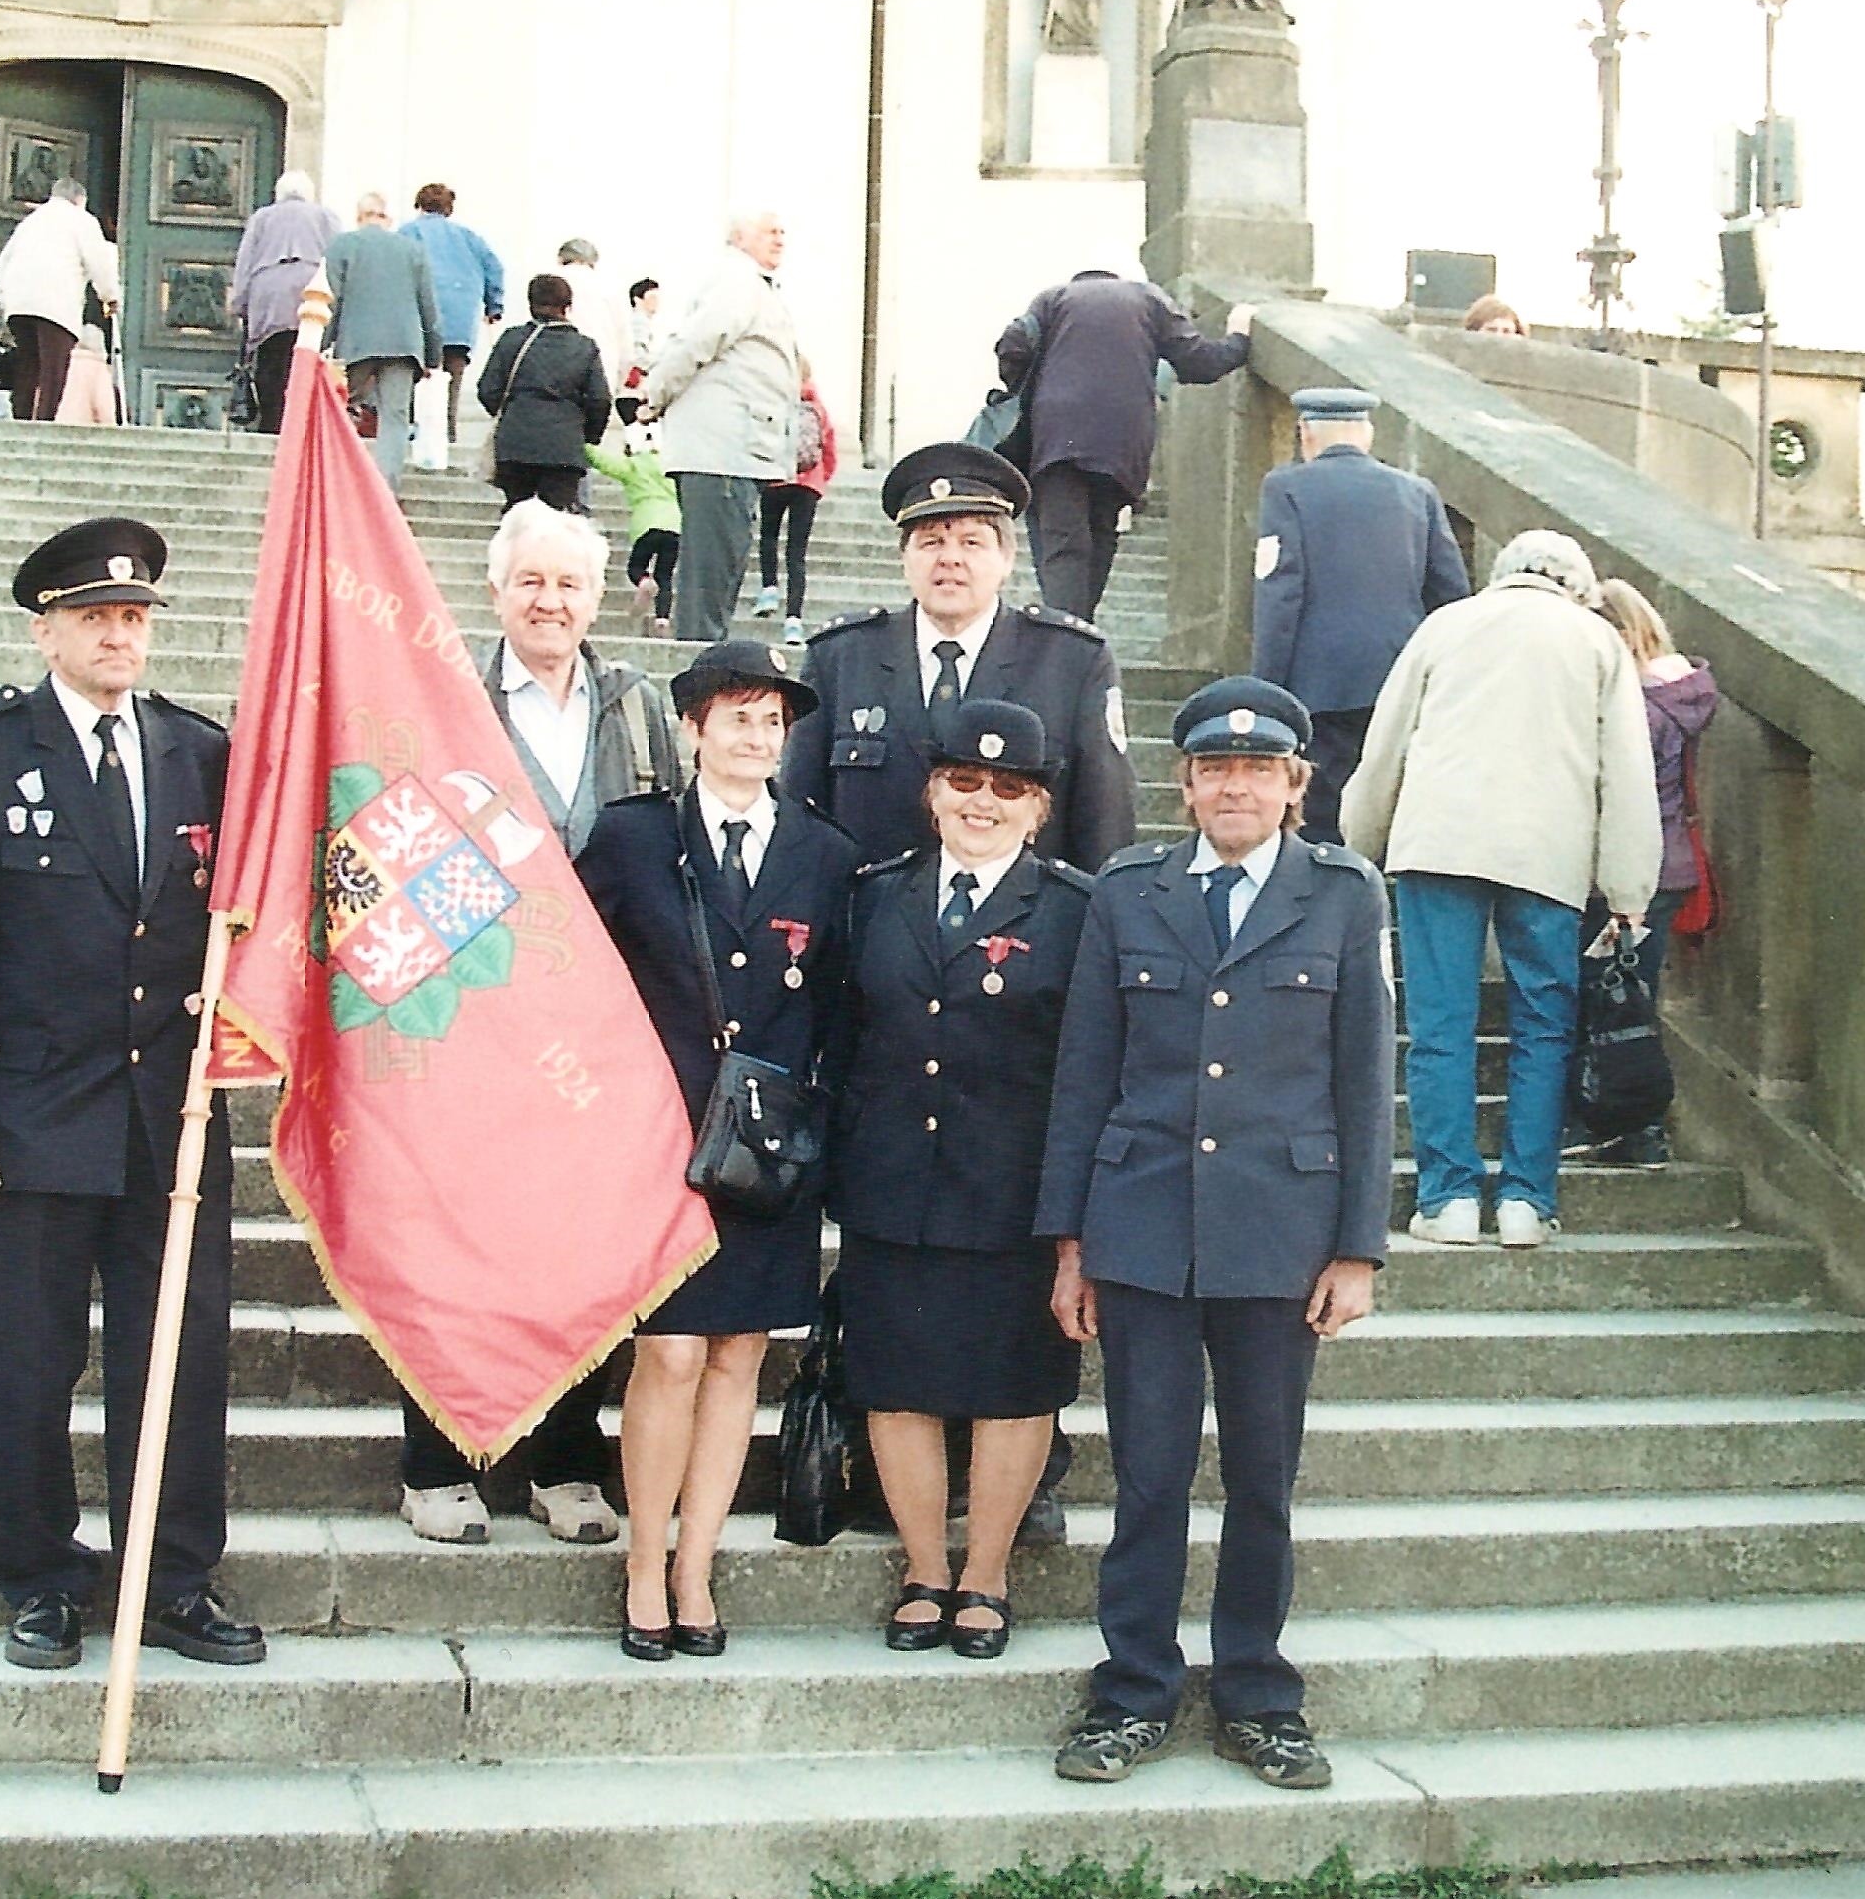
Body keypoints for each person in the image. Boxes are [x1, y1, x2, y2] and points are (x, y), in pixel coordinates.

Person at [0, 517, 265, 1675]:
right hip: (29, 1120)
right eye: (97, 617)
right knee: (28, 1360)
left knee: (179, 1361)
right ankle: (42, 1579)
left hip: (174, 1124)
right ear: (46, 628)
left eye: (136, 617)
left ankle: (172, 1581)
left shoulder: (201, 753)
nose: (120, 635)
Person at [1036, 675, 1393, 1793]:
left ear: (1297, 784)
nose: (1235, 786)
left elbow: (1366, 1081)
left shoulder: (1343, 895)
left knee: (1263, 1478)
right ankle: (1133, 1688)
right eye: (1213, 769)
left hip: (1279, 1238)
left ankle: (1257, 1691)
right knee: (1146, 1476)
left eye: (1259, 769)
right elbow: (1084, 1070)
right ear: (1183, 784)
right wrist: (1070, 1241)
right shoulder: (1128, 893)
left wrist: (1357, 1249)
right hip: (1142, 1228)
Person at [395, 499, 687, 1547]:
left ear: (598, 598)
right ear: (497, 592)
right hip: (475, 1016)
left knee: (582, 1244)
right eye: (531, 582)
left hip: (607, 1031)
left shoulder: (642, 706)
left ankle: (564, 1460)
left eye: (569, 584)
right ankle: (442, 1459)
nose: (550, 601)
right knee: (456, 1242)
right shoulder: (446, 696)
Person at [574, 640, 860, 1660]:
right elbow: (578, 978)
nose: (756, 735)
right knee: (670, 1350)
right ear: (693, 728)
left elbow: (835, 1003)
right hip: (659, 1144)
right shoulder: (630, 836)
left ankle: (699, 1563)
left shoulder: (824, 855)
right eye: (736, 715)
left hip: (767, 1155)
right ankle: (644, 1560)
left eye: (772, 720)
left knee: (742, 1354)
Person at [834, 699, 1090, 1661]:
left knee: (1013, 1387)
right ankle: (922, 1570)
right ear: (932, 792)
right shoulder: (874, 895)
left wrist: (1072, 1216)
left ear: (1038, 810)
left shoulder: (1074, 910)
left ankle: (985, 1573)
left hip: (1011, 1188)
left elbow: (1086, 1070)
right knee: (896, 1383)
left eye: (1008, 789)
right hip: (890, 1174)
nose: (982, 802)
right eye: (964, 783)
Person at [1340, 529, 1661, 1251]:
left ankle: (1447, 1195)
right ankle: (1524, 1200)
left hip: (1436, 842)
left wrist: (1359, 842)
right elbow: (1626, 774)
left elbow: (1386, 742)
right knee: (1543, 1028)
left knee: (1438, 1026)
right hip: (1546, 850)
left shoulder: (1444, 625)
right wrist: (1626, 887)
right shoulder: (1595, 641)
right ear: (1576, 585)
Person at [785, 441, 1138, 875]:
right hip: (866, 928)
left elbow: (1106, 823)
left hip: (1020, 932)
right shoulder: (840, 656)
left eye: (971, 542)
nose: (949, 558)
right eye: (930, 541)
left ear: (1007, 559)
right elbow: (799, 816)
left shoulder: (1072, 662)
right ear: (904, 558)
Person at [1250, 388, 1468, 841]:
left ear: (1305, 433)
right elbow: (1451, 594)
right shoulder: (1418, 493)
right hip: (1398, 678)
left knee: (1321, 814)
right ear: (1367, 433)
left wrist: (1265, 688)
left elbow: (1280, 591)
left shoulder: (1286, 486)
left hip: (1319, 683)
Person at [995, 272, 1254, 620]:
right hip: (1123, 441)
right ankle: (1079, 632)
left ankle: (1067, 636)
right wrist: (1239, 336)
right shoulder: (1150, 300)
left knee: (1062, 543)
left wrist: (1028, 389)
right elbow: (1201, 363)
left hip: (1057, 436)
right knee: (1101, 534)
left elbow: (1012, 346)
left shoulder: (1053, 299)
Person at [1571, 579, 1718, 1169]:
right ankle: (1638, 1130)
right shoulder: (1683, 695)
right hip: (1671, 864)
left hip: (1623, 871)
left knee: (1604, 1004)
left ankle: (1624, 1127)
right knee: (1632, 1003)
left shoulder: (1634, 707)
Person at [639, 212, 799, 641]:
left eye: (782, 230)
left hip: (735, 450)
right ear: (740, 237)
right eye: (770, 230)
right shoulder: (737, 282)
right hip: (722, 450)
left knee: (719, 566)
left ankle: (704, 657)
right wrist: (653, 396)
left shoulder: (749, 284)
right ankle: (698, 668)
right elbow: (694, 343)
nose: (780, 238)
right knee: (711, 570)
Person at [322, 191, 441, 492]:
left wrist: (322, 344)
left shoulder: (343, 245)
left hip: (356, 343)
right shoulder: (413, 249)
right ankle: (385, 488)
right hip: (404, 344)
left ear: (359, 217)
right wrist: (432, 356)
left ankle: (342, 480)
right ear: (386, 218)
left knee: (344, 407)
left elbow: (332, 301)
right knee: (395, 416)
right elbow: (428, 306)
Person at [475, 270, 610, 510]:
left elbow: (488, 389)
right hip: (563, 447)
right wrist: (586, 436)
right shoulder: (584, 347)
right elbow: (599, 400)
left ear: (530, 304)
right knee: (556, 519)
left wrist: (513, 414)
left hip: (515, 442)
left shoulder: (512, 339)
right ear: (567, 306)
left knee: (518, 514)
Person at [0, 176, 120, 423]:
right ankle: (43, 424)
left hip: (19, 305)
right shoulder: (82, 220)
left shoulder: (30, 221)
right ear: (79, 200)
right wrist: (110, 296)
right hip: (56, 305)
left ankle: (20, 420)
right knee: (54, 369)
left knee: (28, 365)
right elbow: (98, 261)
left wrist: (4, 299)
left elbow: (5, 260)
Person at [234, 171, 339, 440]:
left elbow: (245, 263)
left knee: (270, 360)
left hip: (268, 294)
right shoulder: (326, 217)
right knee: (308, 359)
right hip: (313, 293)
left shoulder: (262, 218)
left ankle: (272, 423)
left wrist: (240, 303)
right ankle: (302, 425)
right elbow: (338, 261)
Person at [398, 181, 503, 447]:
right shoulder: (469, 238)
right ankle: (448, 435)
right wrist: (494, 306)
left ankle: (414, 432)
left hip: (417, 321)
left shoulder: (408, 232)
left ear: (419, 206)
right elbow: (494, 268)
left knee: (413, 379)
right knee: (451, 383)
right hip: (459, 323)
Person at [753, 356, 837, 640]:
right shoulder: (818, 408)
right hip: (808, 485)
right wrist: (820, 479)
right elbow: (829, 448)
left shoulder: (773, 403)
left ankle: (768, 589)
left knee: (768, 536)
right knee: (796, 553)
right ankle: (793, 620)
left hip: (776, 478)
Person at [589, 400, 680, 635]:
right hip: (675, 526)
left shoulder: (633, 465)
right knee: (666, 574)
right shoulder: (672, 466)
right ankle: (662, 619)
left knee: (636, 566)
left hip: (646, 524)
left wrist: (582, 445)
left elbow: (604, 462)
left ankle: (643, 581)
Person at [555, 237, 626, 369]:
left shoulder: (551, 282)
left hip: (558, 366)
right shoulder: (610, 286)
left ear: (561, 259)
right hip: (603, 365)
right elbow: (625, 342)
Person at [55, 321, 119, 426]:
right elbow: (103, 405)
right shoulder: (98, 368)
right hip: (84, 431)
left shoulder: (62, 363)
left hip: (57, 425)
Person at [619, 275, 664, 396]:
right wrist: (662, 364)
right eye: (652, 297)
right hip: (637, 387)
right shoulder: (639, 321)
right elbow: (638, 355)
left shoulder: (640, 321)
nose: (656, 302)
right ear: (637, 300)